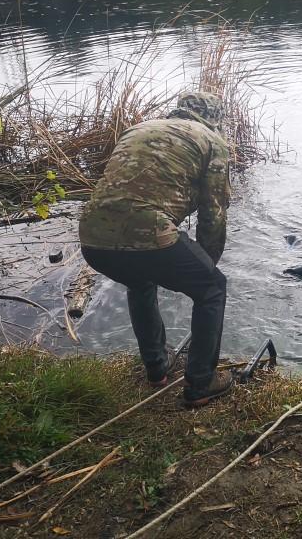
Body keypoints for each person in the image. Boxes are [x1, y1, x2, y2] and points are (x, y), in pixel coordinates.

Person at [78, 90, 233, 408]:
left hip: (92, 239)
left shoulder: (139, 128)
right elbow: (214, 213)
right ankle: (201, 384)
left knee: (140, 281)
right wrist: (206, 264)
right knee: (212, 289)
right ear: (214, 120)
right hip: (149, 232)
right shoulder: (211, 141)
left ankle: (157, 369)